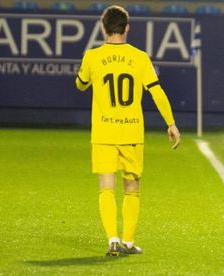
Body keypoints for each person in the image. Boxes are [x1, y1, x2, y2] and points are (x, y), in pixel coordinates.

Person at [75, 5, 181, 256]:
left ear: (103, 28)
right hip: (131, 133)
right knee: (132, 188)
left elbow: (80, 84)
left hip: (103, 133)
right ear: (127, 28)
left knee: (106, 187)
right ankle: (129, 242)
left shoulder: (92, 56)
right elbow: (156, 91)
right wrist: (171, 123)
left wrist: (87, 78)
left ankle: (112, 239)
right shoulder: (139, 57)